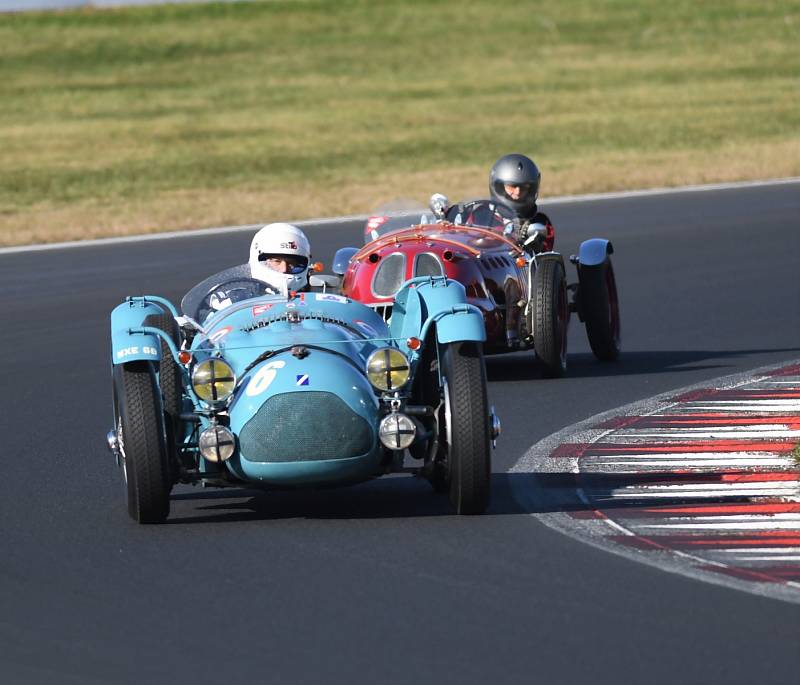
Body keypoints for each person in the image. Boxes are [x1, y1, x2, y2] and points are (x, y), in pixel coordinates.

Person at [489, 153, 555, 253]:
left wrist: (533, 244)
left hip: (522, 267)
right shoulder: (480, 217)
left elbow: (545, 255)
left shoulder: (540, 222)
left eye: (524, 187)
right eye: (512, 186)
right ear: (499, 186)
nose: (518, 192)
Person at [248, 222, 313, 293]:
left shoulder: (311, 302)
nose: (284, 269)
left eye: (291, 263)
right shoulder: (241, 299)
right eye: (277, 261)